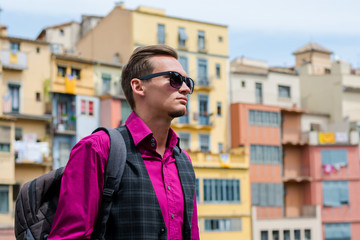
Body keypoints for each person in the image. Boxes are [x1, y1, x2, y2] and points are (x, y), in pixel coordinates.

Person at [48, 45, 199, 240]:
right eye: (175, 79)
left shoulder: (183, 160)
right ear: (138, 86)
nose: (186, 89)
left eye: (188, 82)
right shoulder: (98, 148)